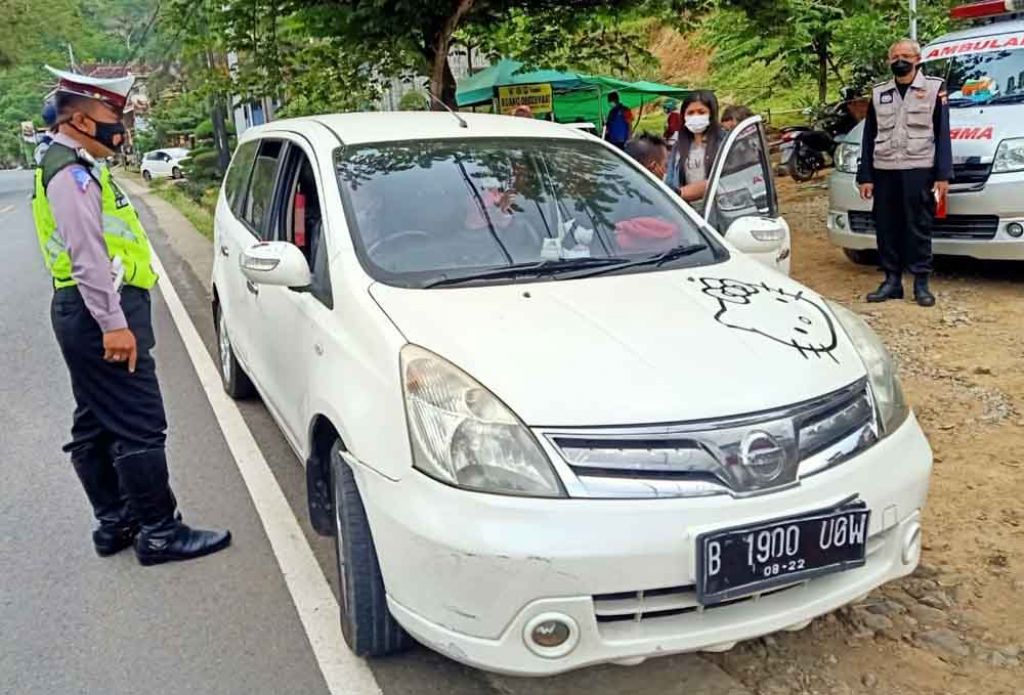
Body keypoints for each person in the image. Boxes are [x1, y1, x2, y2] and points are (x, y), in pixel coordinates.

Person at [32, 65, 231, 565]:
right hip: (101, 310)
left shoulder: (74, 163)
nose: (120, 127)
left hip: (88, 310)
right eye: (111, 117)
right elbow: (87, 259)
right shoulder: (71, 174)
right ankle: (160, 532)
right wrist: (114, 324)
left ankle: (115, 522)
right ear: (80, 121)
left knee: (95, 420)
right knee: (140, 423)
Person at [857, 39, 952, 307]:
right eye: (895, 56)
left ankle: (921, 283)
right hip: (884, 169)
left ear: (917, 59)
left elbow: (942, 133)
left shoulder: (934, 88)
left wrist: (943, 175)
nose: (900, 60)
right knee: (887, 228)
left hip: (918, 168)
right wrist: (865, 176)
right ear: (889, 61)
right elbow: (869, 136)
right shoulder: (879, 92)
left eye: (906, 55)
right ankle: (892, 281)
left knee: (918, 227)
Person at [665, 90, 724, 204]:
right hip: (688, 211)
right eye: (690, 113)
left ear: (712, 114)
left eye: (701, 112)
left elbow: (732, 180)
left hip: (719, 208)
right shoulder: (678, 148)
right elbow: (670, 182)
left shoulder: (723, 142)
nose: (696, 117)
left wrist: (691, 191)